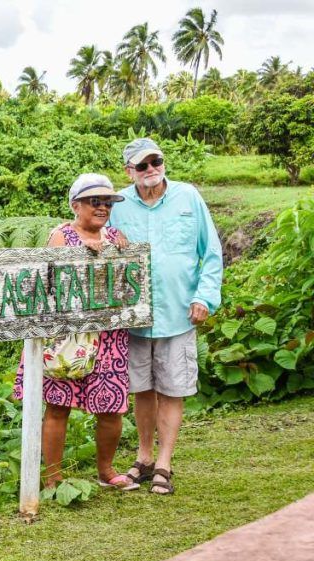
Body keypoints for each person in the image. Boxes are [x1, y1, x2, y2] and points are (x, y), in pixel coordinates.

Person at [109, 138, 223, 494]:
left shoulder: (188, 197)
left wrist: (205, 297)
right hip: (135, 317)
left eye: (155, 161)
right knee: (142, 389)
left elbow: (212, 252)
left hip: (178, 313)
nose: (150, 169)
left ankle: (164, 464)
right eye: (141, 165)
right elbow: (101, 247)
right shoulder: (118, 204)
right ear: (129, 171)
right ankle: (143, 459)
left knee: (173, 390)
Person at [15, 173, 137, 491]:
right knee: (59, 405)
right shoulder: (61, 236)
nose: (102, 208)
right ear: (76, 205)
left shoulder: (115, 236)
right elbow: (49, 280)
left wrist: (120, 251)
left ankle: (107, 470)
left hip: (108, 334)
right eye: (94, 201)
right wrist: (81, 254)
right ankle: (53, 476)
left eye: (107, 202)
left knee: (111, 406)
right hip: (68, 335)